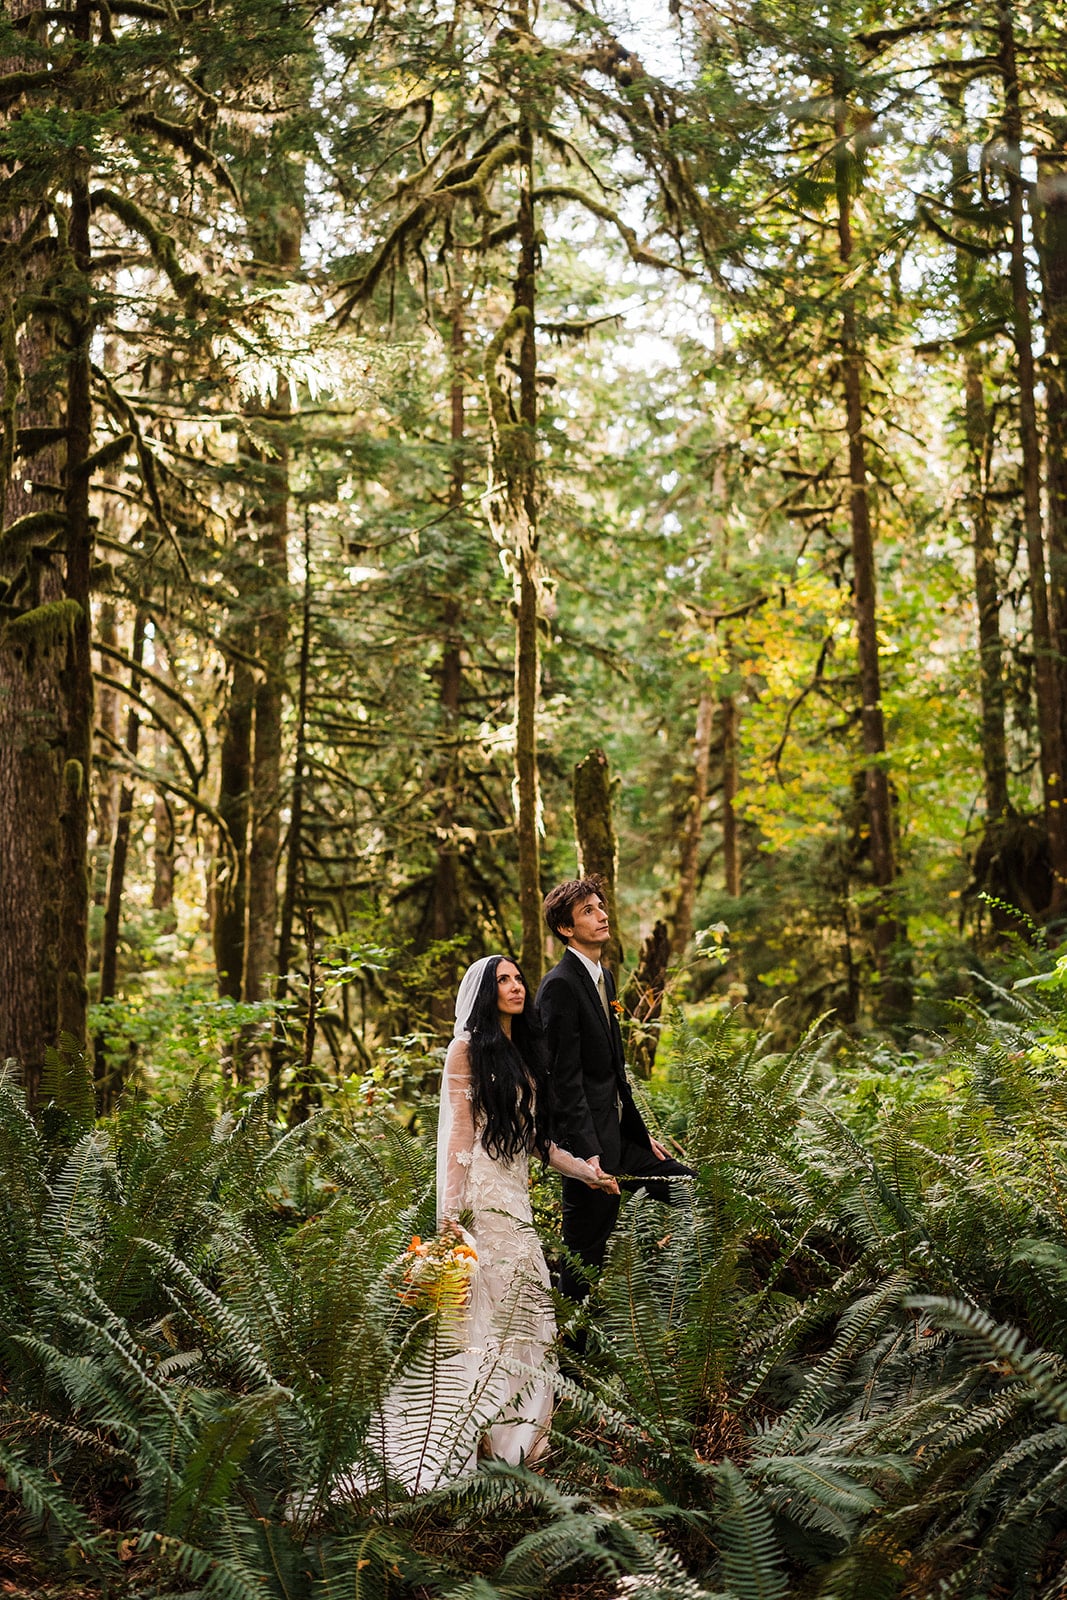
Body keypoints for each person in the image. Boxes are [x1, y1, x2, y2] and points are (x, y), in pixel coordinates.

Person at [356, 954, 617, 1494]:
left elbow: (539, 1143)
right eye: (503, 981)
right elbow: (456, 1141)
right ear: (483, 993)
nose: (517, 987)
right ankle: (464, 1432)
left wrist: (586, 1172)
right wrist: (451, 1218)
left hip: (516, 1201)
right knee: (485, 1315)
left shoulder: (526, 1052)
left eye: (519, 978)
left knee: (529, 1307)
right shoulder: (465, 1050)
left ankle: (517, 1436)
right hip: (479, 1200)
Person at [535, 877, 695, 1302]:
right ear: (565, 928)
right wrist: (586, 1156)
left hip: (621, 1139)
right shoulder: (559, 985)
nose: (603, 914)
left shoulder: (602, 975)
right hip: (589, 1152)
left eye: (600, 906)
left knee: (695, 1193)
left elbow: (610, 1076)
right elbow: (564, 1082)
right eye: (588, 910)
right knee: (584, 1261)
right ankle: (570, 1362)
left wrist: (639, 1133)